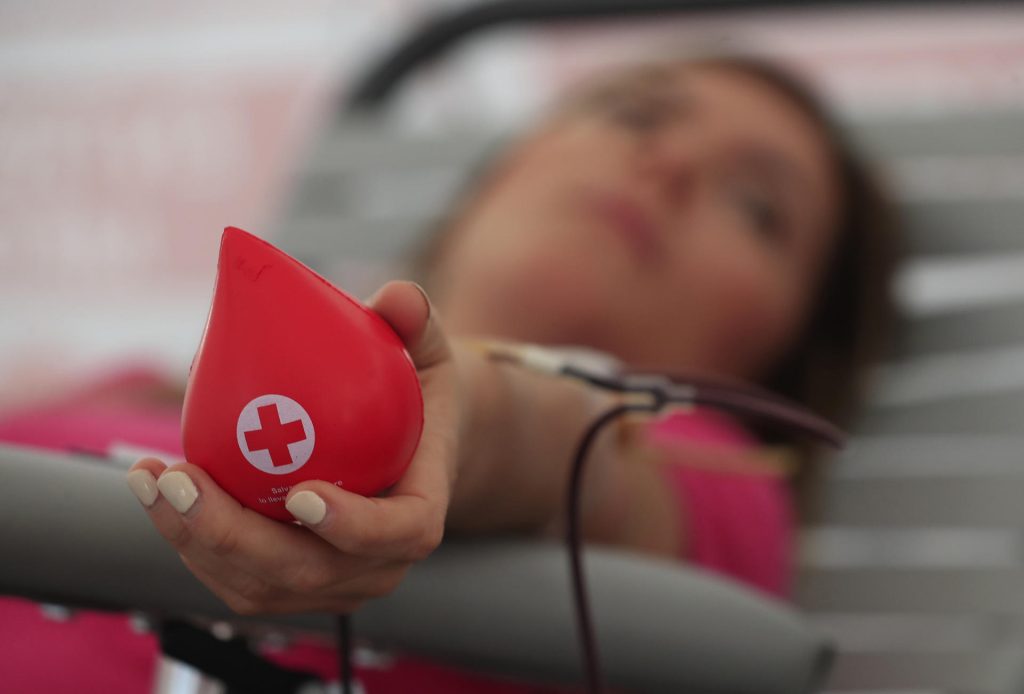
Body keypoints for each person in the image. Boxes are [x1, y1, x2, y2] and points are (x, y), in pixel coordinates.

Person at [125, 55, 900, 690]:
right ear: (496, 175)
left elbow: (558, 450)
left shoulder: (718, 487)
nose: (669, 163)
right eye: (635, 114)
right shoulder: (135, 389)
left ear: (786, 351)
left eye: (756, 206)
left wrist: (440, 415)